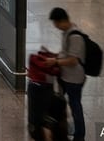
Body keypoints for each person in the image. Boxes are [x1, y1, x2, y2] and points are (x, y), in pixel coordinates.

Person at [45, 8, 86, 141]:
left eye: (56, 24)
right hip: (65, 76)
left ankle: (79, 135)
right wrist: (54, 56)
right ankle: (62, 128)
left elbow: (73, 60)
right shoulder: (66, 32)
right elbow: (66, 53)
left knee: (75, 106)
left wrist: (56, 61)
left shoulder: (75, 36)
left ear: (62, 21)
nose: (56, 27)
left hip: (74, 79)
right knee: (61, 103)